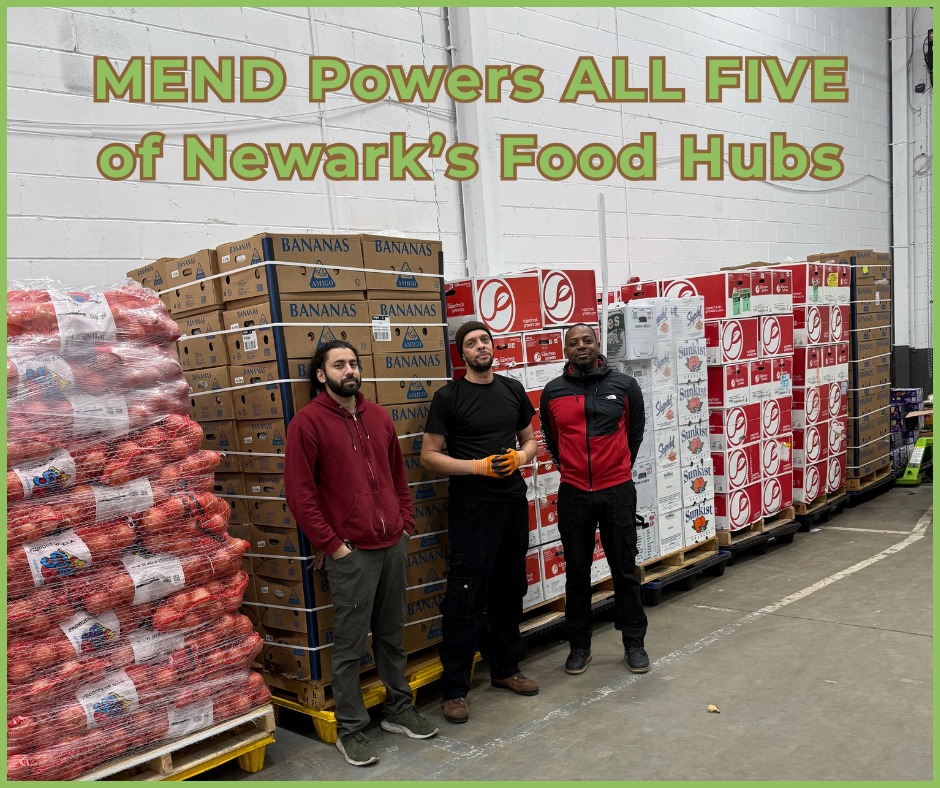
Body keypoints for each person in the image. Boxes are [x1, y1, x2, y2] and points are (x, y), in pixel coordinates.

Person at [284, 340, 438, 767]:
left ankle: (398, 708)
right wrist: (335, 546)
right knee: (351, 644)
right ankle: (350, 728)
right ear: (321, 375)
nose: (348, 370)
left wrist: (404, 522)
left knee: (392, 635)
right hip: (352, 554)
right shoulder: (307, 423)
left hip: (392, 544)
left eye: (353, 363)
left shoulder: (378, 417)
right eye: (339, 365)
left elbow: (396, 476)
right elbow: (299, 495)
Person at [420, 320, 540, 725]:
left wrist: (521, 458)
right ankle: (455, 690)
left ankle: (507, 669)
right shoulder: (448, 397)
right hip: (473, 507)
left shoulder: (512, 390)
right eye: (470, 343)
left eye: (484, 340)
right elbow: (429, 456)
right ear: (462, 354)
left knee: (510, 588)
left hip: (511, 503)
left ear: (493, 347)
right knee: (465, 597)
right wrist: (477, 466)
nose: (479, 347)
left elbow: (531, 440)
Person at [539, 324, 650, 676]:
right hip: (574, 493)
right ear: (565, 350)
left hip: (616, 489)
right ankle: (579, 646)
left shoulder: (624, 386)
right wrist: (574, 468)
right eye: (573, 343)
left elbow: (634, 433)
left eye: (587, 340)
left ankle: (634, 641)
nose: (581, 347)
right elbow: (554, 440)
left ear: (597, 343)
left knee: (624, 569)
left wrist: (615, 468)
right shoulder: (553, 392)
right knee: (576, 573)